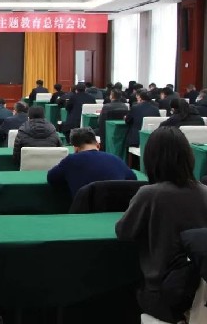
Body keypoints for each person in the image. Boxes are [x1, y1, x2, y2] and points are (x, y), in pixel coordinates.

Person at [116, 127, 207, 323]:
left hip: (163, 296)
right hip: (199, 295)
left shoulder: (149, 195)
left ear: (151, 159)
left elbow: (123, 232)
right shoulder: (204, 192)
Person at [47, 127, 136, 197]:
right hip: (118, 211)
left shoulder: (70, 161)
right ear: (98, 145)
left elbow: (52, 178)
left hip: (83, 211)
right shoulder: (116, 159)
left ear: (76, 149)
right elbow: (133, 179)